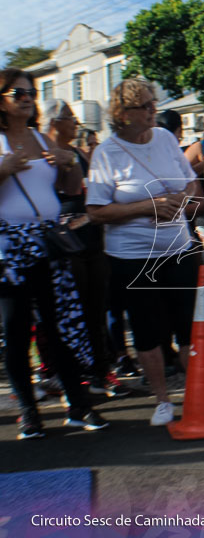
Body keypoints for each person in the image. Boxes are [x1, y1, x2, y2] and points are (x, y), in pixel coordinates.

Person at [87, 78, 202, 426]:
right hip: (133, 256)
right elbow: (96, 211)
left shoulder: (166, 138)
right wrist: (145, 207)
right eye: (146, 106)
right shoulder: (106, 152)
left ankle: (197, 395)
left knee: (188, 326)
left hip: (178, 248)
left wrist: (181, 201)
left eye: (154, 102)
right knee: (148, 329)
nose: (154, 110)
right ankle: (163, 400)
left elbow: (191, 183)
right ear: (123, 114)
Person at [0, 68, 109, 439]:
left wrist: (67, 165)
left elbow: (67, 188)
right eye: (18, 93)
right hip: (11, 248)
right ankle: (28, 411)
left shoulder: (39, 136)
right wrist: (4, 169)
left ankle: (78, 403)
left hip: (49, 242)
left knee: (59, 323)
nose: (27, 98)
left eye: (30, 92)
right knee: (16, 330)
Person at [40, 99, 124, 398]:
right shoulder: (40, 152)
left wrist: (72, 160)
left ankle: (100, 371)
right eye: (69, 117)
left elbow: (78, 188)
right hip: (60, 245)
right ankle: (61, 373)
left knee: (95, 308)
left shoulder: (76, 153)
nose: (75, 122)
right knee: (64, 314)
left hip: (90, 238)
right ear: (53, 121)